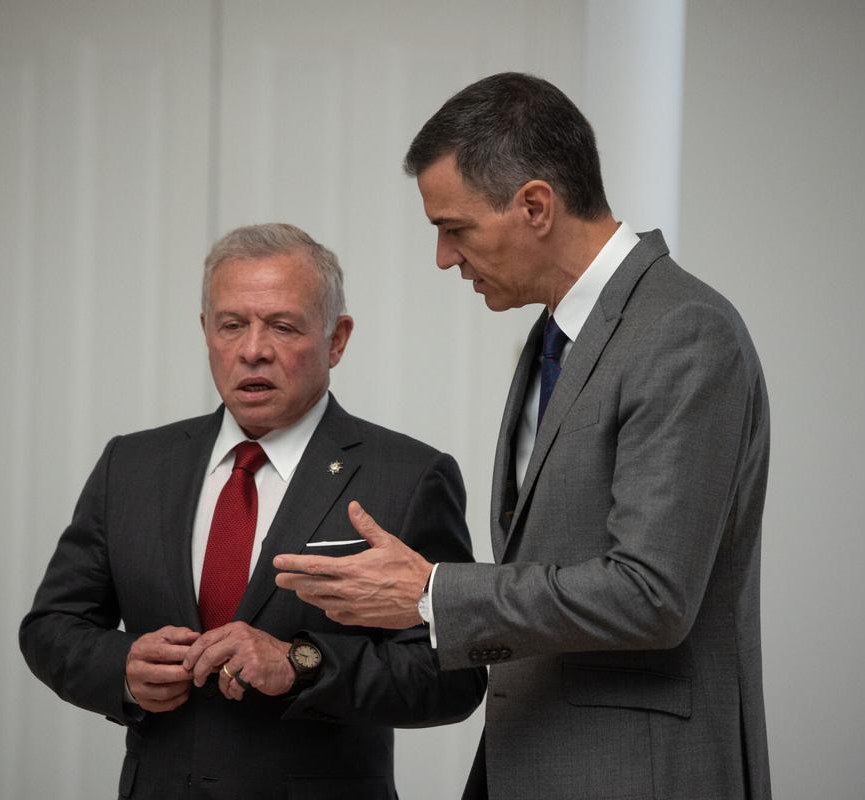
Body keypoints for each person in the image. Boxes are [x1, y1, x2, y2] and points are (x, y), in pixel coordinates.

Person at [275, 73, 772, 800]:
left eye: (456, 229)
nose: (445, 258)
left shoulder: (682, 332)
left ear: (535, 204)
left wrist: (430, 593)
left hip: (637, 773)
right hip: (531, 760)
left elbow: (651, 594)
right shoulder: (555, 333)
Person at [19, 223, 486, 800]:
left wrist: (301, 662)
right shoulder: (132, 464)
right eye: (231, 324)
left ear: (337, 339)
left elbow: (454, 677)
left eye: (283, 326)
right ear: (206, 333)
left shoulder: (409, 476)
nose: (252, 349)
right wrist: (123, 668)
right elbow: (53, 628)